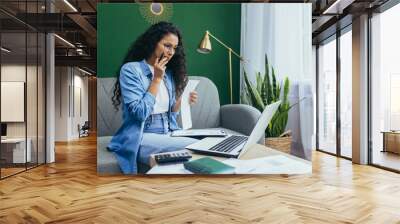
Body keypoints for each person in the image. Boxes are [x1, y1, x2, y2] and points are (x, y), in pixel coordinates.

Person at [108, 21, 199, 174]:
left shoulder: (167, 73)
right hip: (142, 135)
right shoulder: (131, 70)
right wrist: (156, 79)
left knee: (206, 143)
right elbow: (139, 113)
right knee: (196, 147)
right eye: (167, 45)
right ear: (152, 43)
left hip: (167, 131)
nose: (171, 52)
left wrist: (183, 101)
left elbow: (171, 113)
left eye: (175, 48)